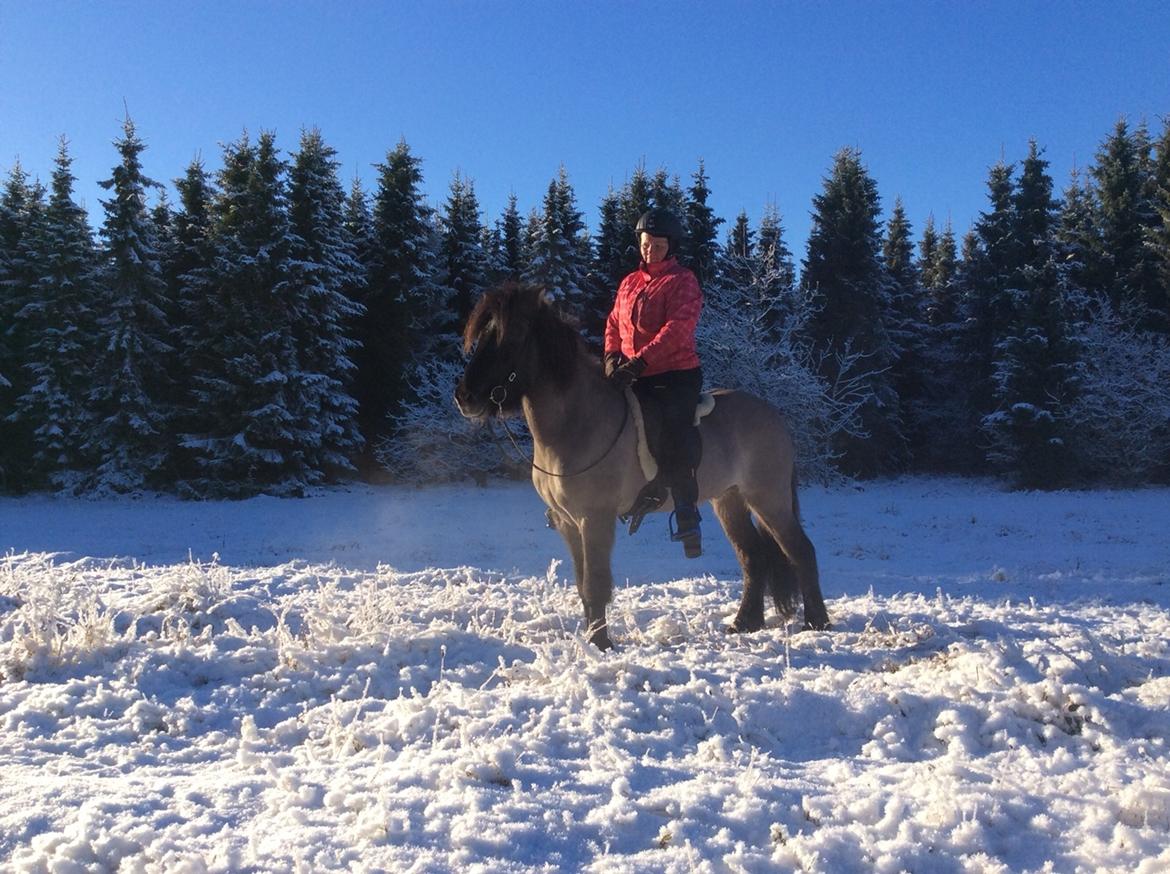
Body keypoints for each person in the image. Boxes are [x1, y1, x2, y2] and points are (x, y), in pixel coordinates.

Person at [603, 207, 704, 558]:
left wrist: (642, 360)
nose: (650, 251)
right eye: (646, 244)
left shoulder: (682, 281)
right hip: (631, 371)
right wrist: (612, 358)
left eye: (658, 245)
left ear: (670, 247)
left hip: (673, 374)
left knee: (671, 431)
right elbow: (614, 322)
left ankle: (686, 510)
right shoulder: (629, 282)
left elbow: (677, 329)